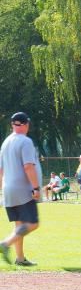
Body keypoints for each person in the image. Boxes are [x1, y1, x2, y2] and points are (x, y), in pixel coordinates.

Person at [0, 112, 42, 267]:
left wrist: (1, 190)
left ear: (12, 125)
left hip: (8, 189)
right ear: (25, 125)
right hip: (22, 190)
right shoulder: (25, 141)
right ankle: (5, 244)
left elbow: (0, 170)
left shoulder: (5, 142)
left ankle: (20, 258)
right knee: (33, 223)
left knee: (19, 224)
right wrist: (36, 187)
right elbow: (28, 166)